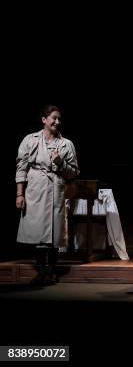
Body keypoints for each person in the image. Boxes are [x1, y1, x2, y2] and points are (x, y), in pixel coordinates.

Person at [15, 105, 80, 285]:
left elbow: (73, 173)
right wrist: (19, 194)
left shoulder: (66, 144)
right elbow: (21, 168)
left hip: (55, 189)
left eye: (59, 119)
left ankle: (51, 270)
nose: (57, 122)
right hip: (35, 189)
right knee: (37, 232)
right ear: (44, 120)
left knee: (54, 233)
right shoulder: (30, 140)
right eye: (53, 118)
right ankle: (41, 270)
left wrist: (60, 163)